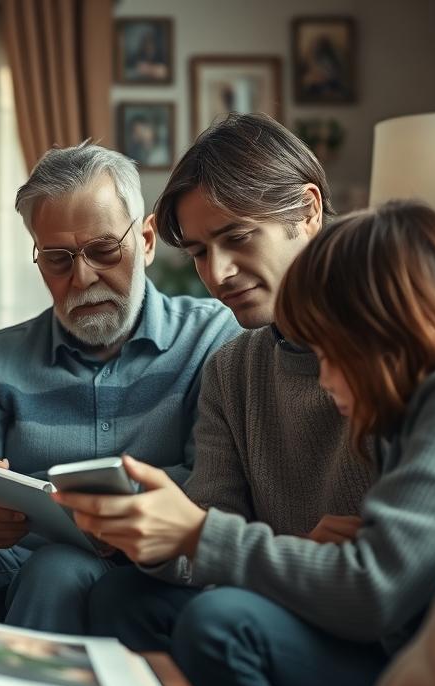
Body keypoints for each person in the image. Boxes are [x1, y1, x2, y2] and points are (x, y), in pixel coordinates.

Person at [60, 201, 435, 686]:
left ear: (386, 325)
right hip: (408, 645)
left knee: (221, 627)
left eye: (330, 351)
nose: (323, 379)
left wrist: (202, 533)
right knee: (134, 601)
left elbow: (373, 592)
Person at [0, 141, 240, 634]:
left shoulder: (211, 338)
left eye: (103, 250)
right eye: (58, 259)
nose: (82, 278)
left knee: (59, 568)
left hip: (135, 566)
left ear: (145, 240)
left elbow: (216, 485)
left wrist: (115, 508)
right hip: (8, 553)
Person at [89, 112, 376, 633]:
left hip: (355, 609)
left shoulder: (391, 343)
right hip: (268, 591)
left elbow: (388, 557)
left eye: (239, 237)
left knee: (216, 619)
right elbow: (208, 534)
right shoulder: (233, 366)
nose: (217, 274)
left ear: (308, 211)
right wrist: (154, 535)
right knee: (123, 596)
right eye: (199, 252)